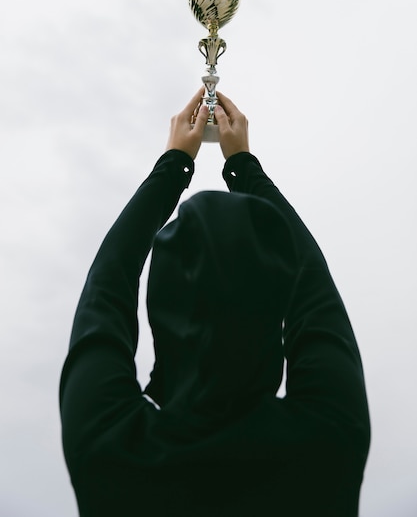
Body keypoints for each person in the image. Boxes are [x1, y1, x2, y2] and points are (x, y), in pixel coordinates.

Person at [59, 89, 371, 516]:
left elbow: (106, 285)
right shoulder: (329, 440)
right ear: (273, 312)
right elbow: (314, 286)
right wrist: (244, 165)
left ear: (160, 309)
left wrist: (173, 165)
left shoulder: (109, 446)